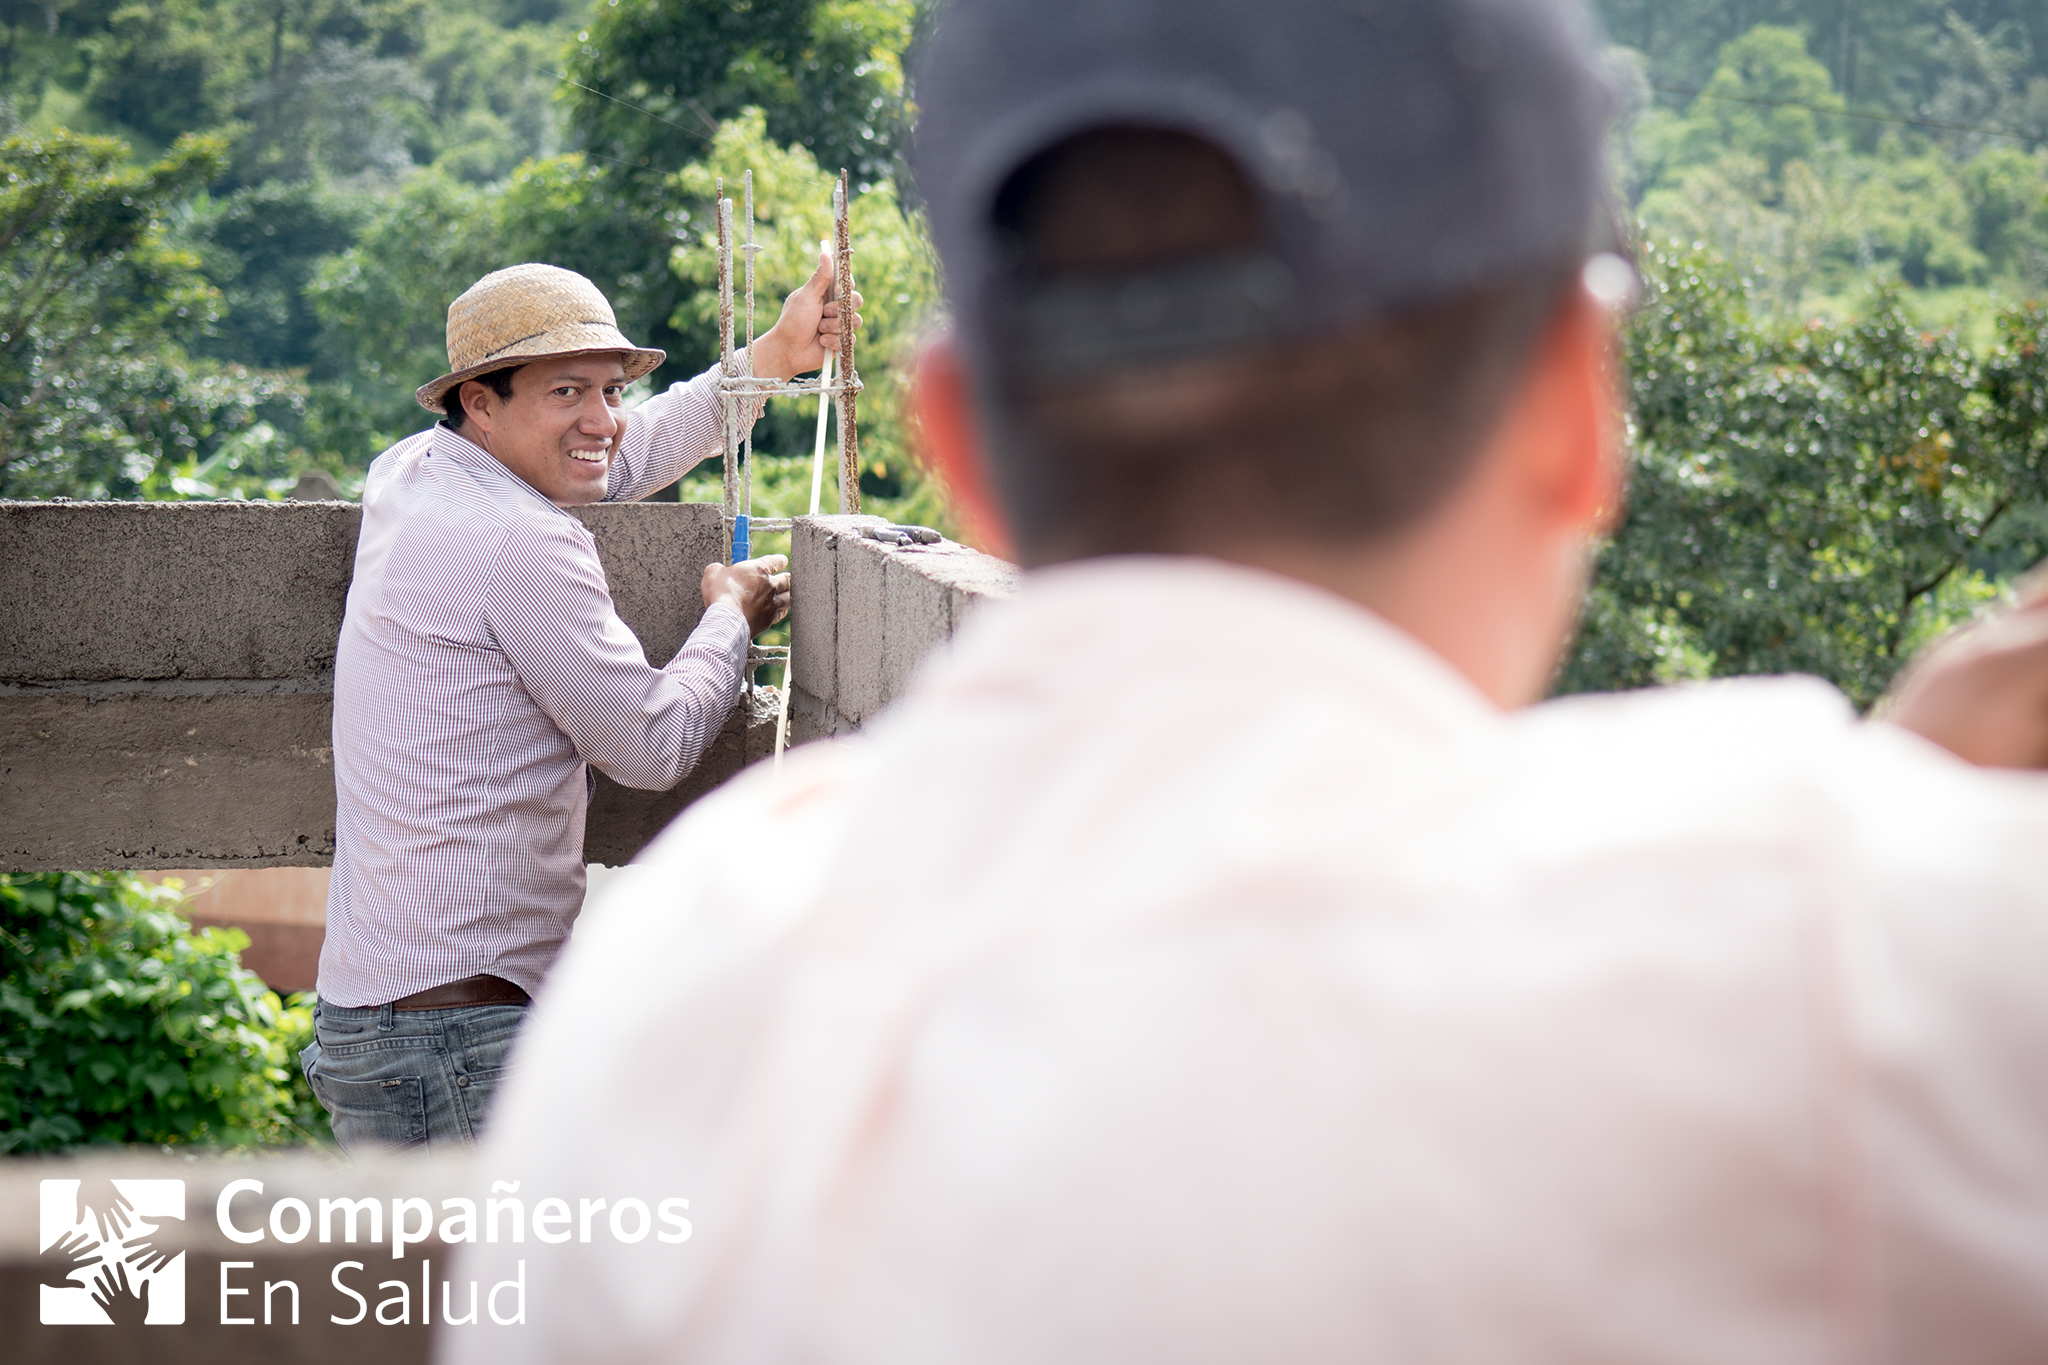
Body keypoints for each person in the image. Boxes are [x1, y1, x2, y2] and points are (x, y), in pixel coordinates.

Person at [453, 0, 2048, 1359]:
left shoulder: (682, 985)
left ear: (963, 450)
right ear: (1579, 407)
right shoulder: (1847, 958)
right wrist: (1898, 848)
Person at [302, 257, 857, 1154]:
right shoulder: (523, 542)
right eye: (569, 391)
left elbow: (613, 455)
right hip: (460, 1040)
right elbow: (651, 742)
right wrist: (728, 618)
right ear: (479, 401)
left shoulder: (411, 474)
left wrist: (771, 357)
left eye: (609, 390)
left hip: (384, 1019)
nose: (601, 421)